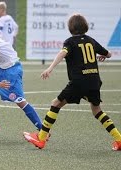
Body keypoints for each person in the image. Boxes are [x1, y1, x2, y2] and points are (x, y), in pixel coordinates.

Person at [23, 14, 121, 151]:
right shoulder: (91, 41)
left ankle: (41, 138)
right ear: (85, 26)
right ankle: (119, 139)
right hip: (94, 81)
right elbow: (109, 54)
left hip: (79, 82)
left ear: (70, 28)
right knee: (97, 110)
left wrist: (50, 68)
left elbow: (62, 53)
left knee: (55, 104)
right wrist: (103, 55)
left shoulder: (70, 42)